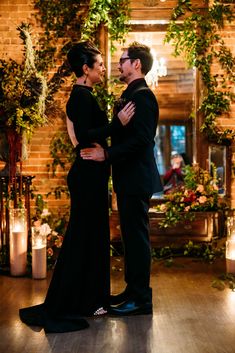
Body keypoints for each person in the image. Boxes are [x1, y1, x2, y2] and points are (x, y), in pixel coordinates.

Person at [19, 41, 135, 332]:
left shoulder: (84, 94)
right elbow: (85, 135)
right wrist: (117, 124)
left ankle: (90, 301)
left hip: (91, 175)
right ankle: (68, 303)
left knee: (92, 238)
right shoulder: (81, 97)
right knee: (82, 239)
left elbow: (87, 131)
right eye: (99, 65)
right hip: (86, 177)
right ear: (86, 69)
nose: (104, 69)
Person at [80, 42, 163, 316]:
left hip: (136, 179)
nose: (118, 63)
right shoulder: (131, 94)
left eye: (123, 59)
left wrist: (108, 154)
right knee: (130, 237)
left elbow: (141, 141)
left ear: (136, 64)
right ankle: (132, 290)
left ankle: (141, 300)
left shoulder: (143, 97)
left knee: (137, 238)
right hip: (128, 178)